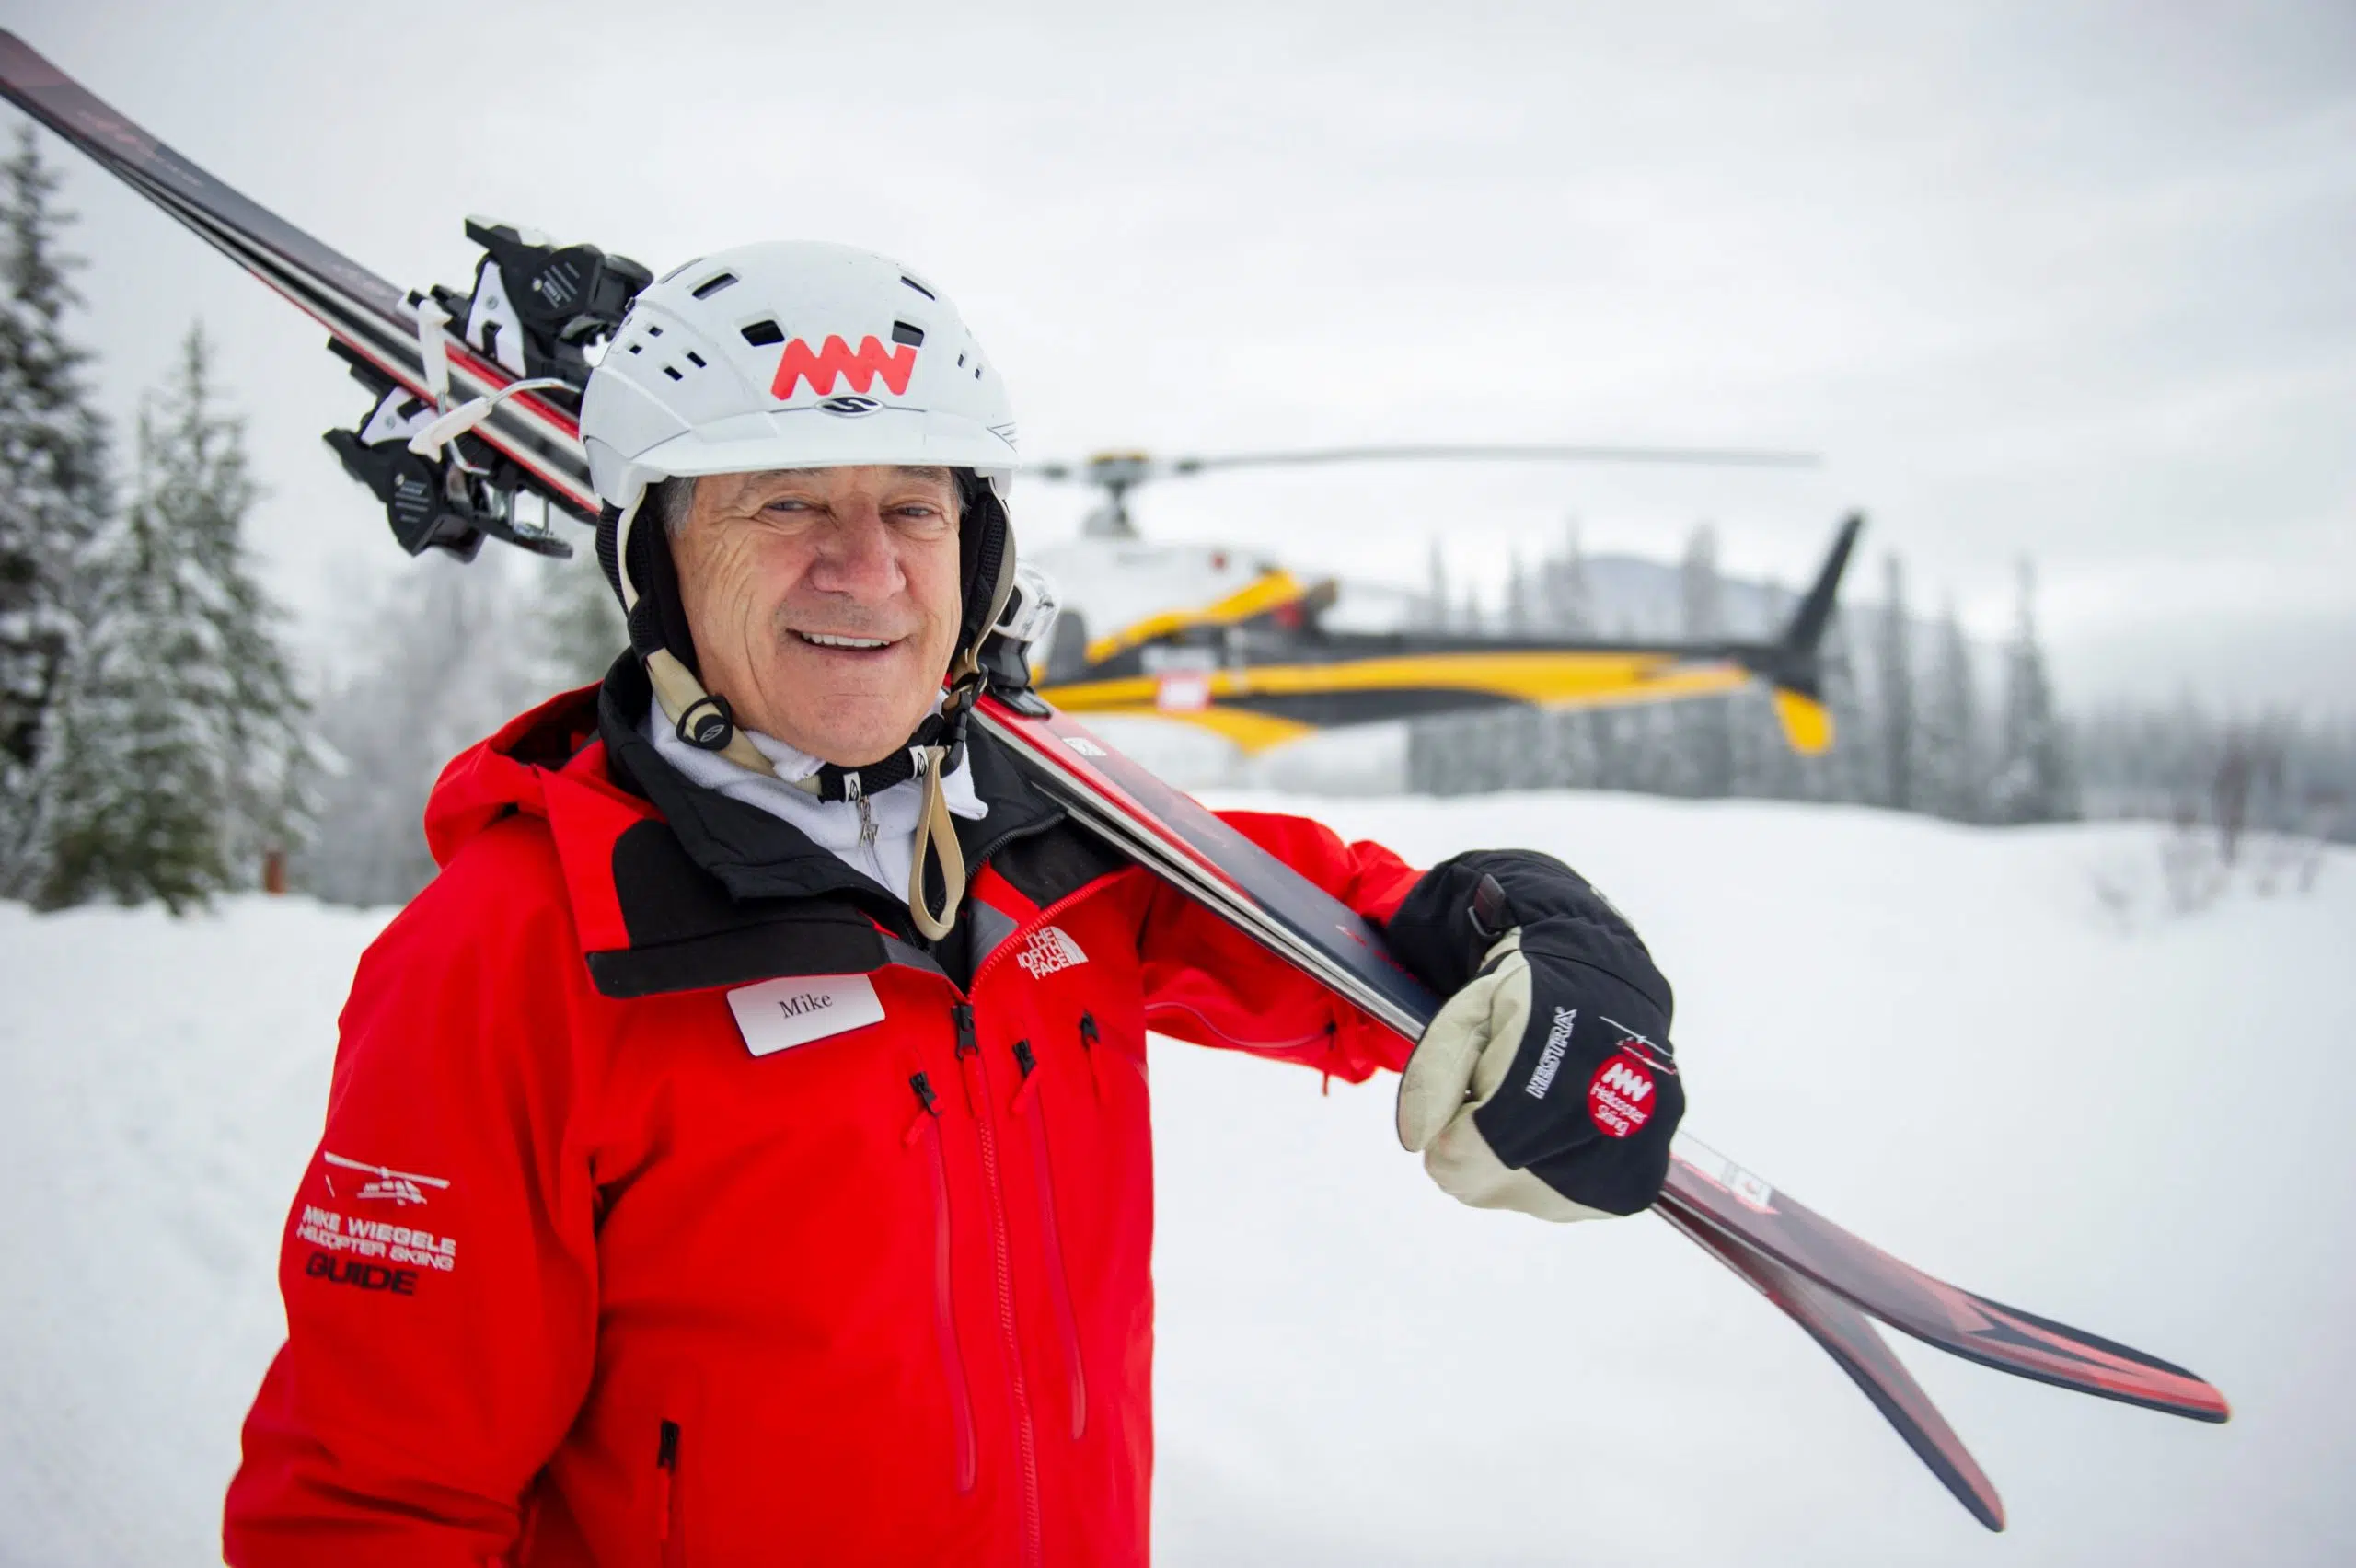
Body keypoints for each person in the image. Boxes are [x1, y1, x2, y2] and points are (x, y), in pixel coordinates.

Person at [223, 242, 1685, 1566]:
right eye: (782, 500)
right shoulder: (517, 950)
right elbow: (370, 1508)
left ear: (976, 552)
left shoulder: (1056, 841)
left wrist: (1517, 927)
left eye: (914, 508)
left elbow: (1317, 924)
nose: (867, 570)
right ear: (656, 560)